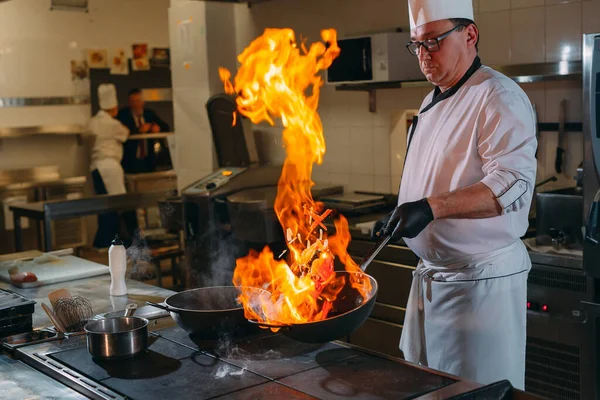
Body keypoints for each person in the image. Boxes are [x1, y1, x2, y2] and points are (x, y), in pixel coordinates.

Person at [374, 0, 537, 389]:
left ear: (470, 35)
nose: (423, 55)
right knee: (428, 390)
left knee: (474, 394)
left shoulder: (497, 96)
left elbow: (510, 186)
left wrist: (430, 209)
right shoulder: (432, 100)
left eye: (433, 41)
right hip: (434, 284)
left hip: (480, 288)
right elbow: (432, 177)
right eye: (417, 45)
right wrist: (404, 214)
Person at [89, 83, 130, 248]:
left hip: (96, 168)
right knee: (113, 208)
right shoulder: (113, 124)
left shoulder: (92, 122)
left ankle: (106, 242)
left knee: (104, 207)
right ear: (113, 107)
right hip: (110, 168)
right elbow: (126, 133)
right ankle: (105, 243)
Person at [117, 88, 170, 174]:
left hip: (148, 159)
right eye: (132, 101)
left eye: (138, 101)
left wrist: (157, 128)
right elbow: (121, 130)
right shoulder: (123, 115)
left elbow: (166, 127)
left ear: (143, 102)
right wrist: (139, 130)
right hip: (130, 160)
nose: (135, 104)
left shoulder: (149, 114)